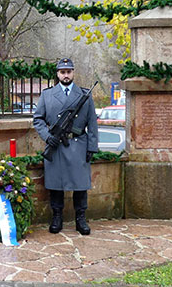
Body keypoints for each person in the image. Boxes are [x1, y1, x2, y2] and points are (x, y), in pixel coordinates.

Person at [33, 58, 98, 235]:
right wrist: (47, 137)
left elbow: (92, 123)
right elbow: (38, 119)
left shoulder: (84, 94)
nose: (66, 75)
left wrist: (92, 146)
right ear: (57, 74)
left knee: (80, 185)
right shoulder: (47, 95)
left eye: (69, 71)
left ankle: (81, 218)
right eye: (62, 72)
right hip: (57, 145)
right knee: (56, 184)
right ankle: (57, 217)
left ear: (73, 73)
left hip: (78, 143)